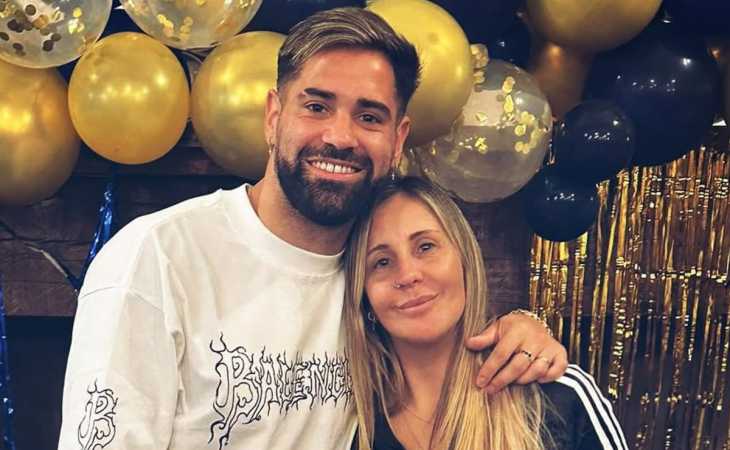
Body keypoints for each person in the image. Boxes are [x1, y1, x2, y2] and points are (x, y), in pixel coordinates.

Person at [59, 8, 568, 450]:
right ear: (273, 117)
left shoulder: (377, 278)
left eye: (369, 116)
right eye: (317, 106)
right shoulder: (158, 258)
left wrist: (524, 328)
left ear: (397, 141)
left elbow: (444, 342)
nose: (340, 136)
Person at [343, 177, 628, 450]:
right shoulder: (347, 421)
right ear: (363, 294)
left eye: (426, 247)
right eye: (381, 262)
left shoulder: (558, 395)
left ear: (465, 259)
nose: (408, 275)